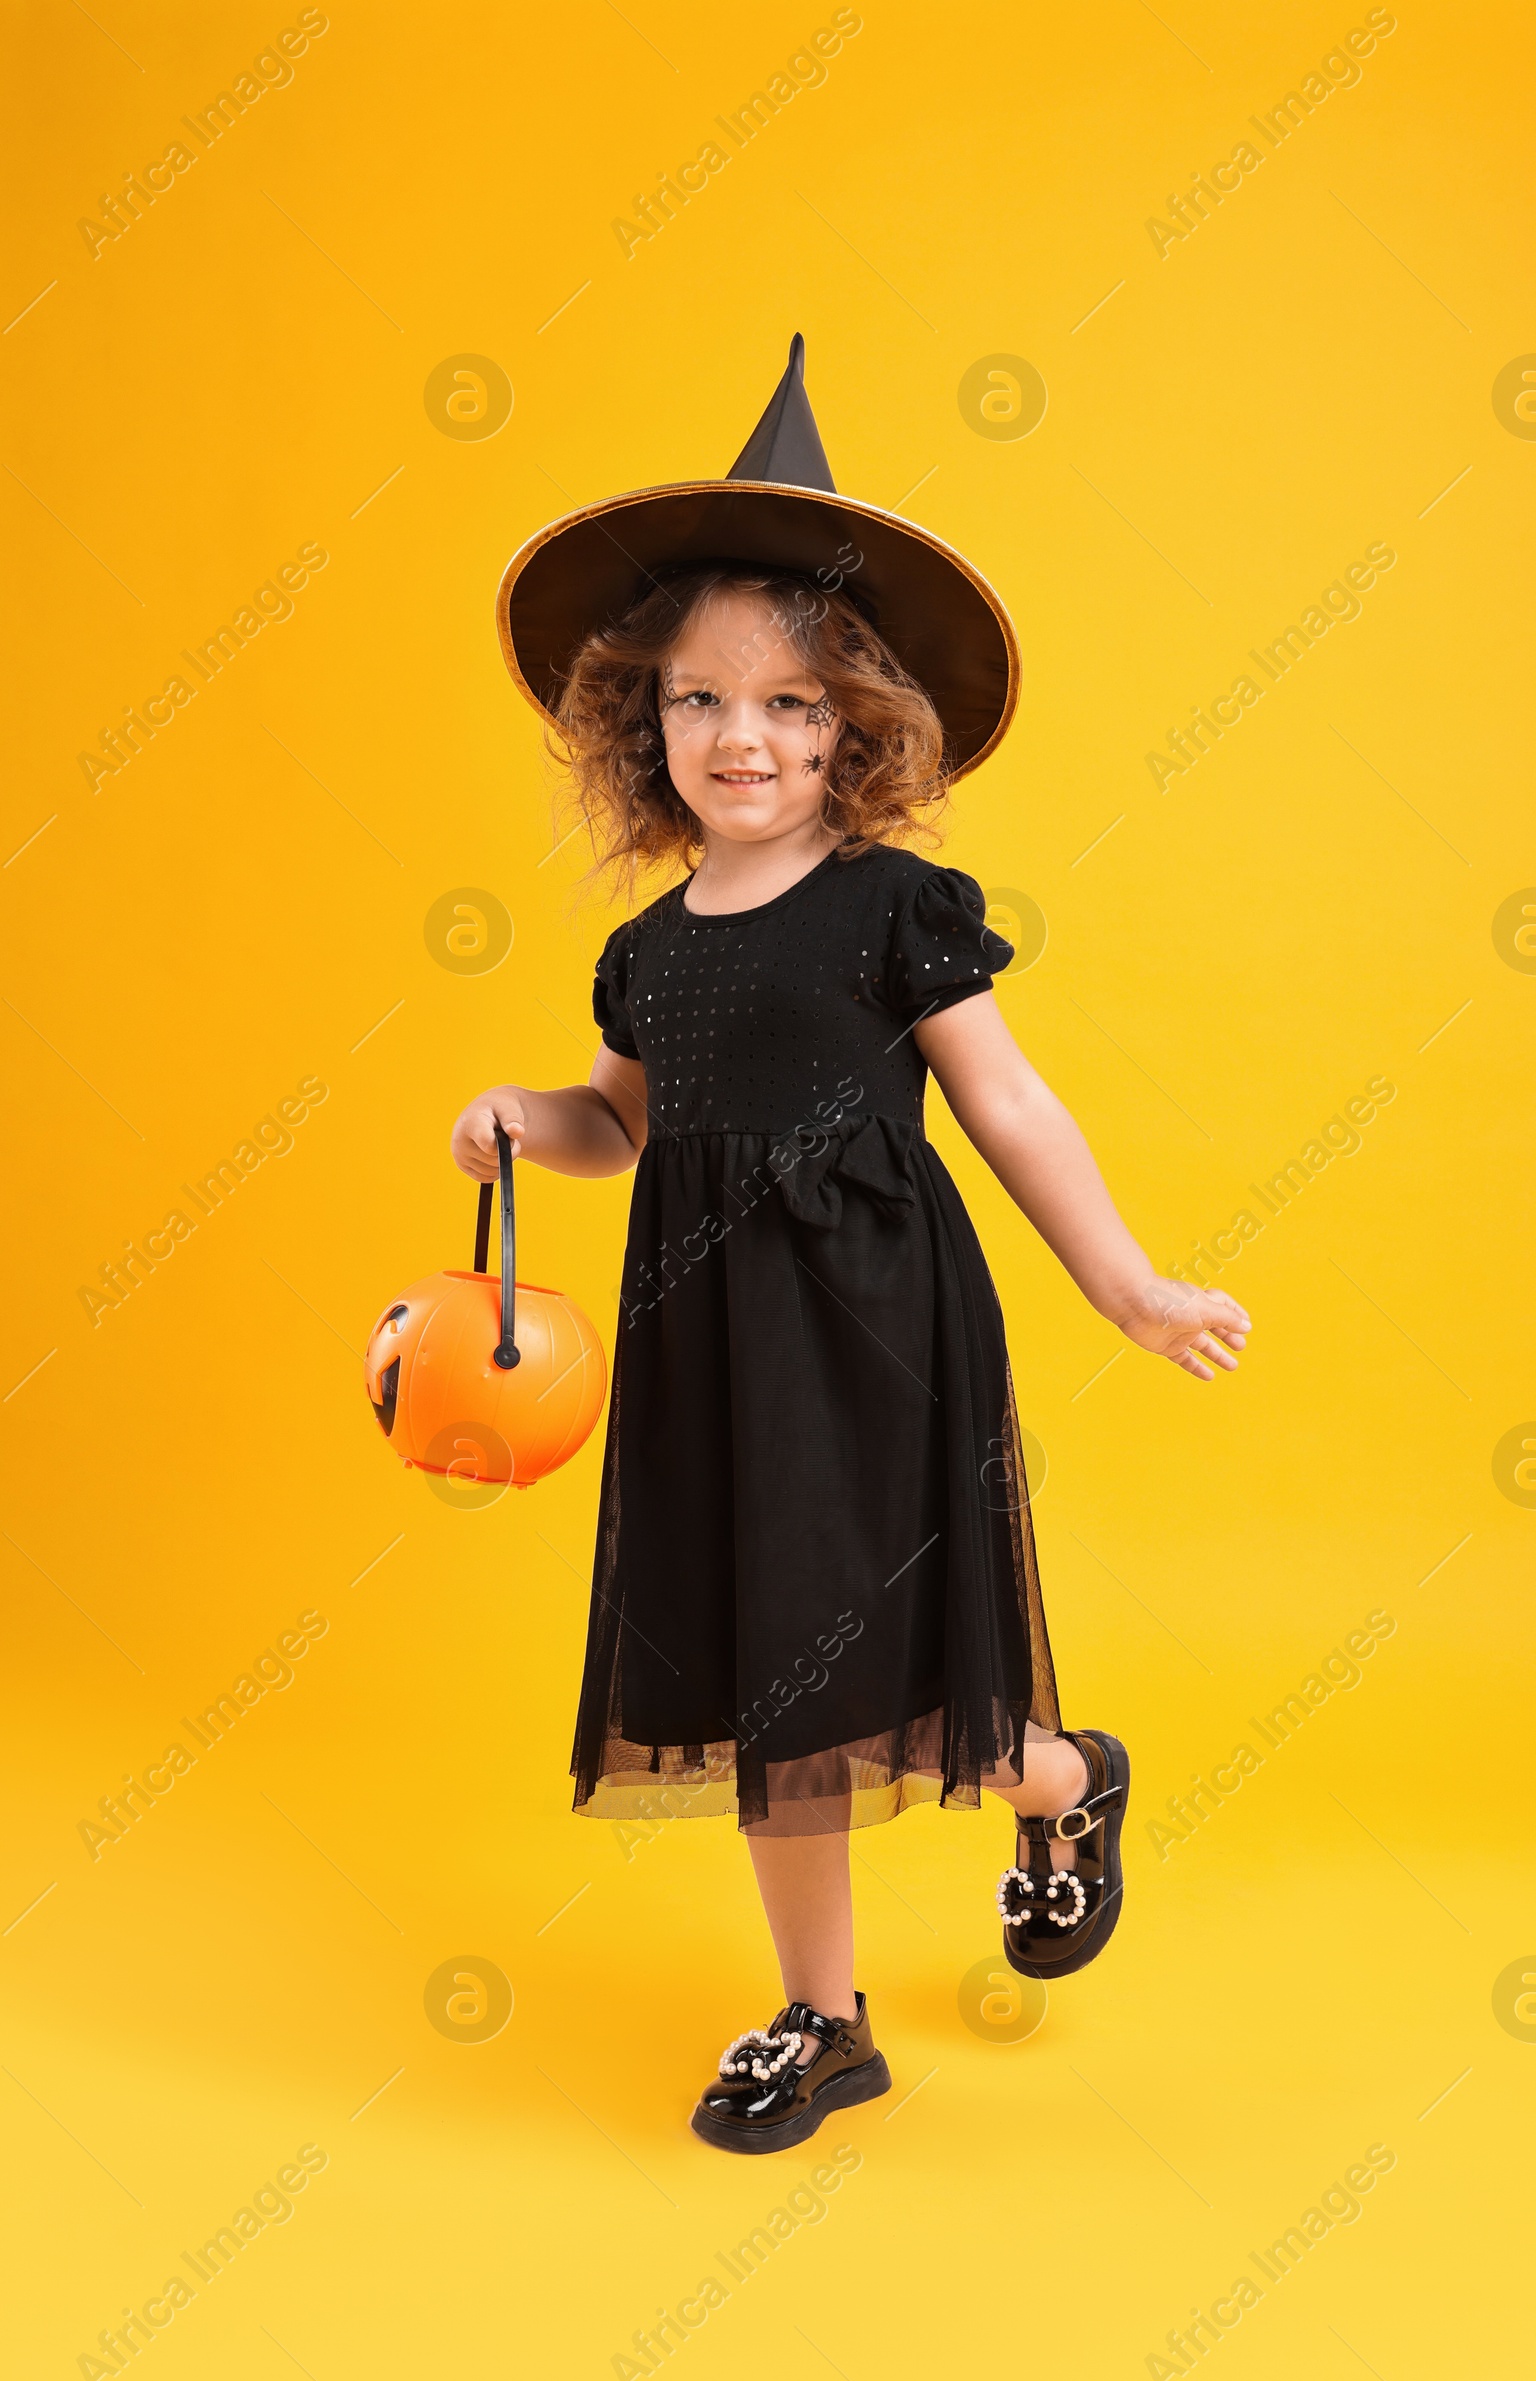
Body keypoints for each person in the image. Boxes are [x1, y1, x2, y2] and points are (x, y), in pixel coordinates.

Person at [452, 339, 1250, 2154]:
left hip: (879, 1322)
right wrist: (524, 1121)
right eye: (702, 703)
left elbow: (1011, 1107)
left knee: (881, 1663)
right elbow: (619, 1123)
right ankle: (823, 2019)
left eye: (796, 706)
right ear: (640, 727)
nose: (746, 738)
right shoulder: (649, 950)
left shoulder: (900, 908)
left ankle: (1064, 1778)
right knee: (761, 1679)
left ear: (859, 730)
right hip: (705, 1335)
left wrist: (1127, 1282)